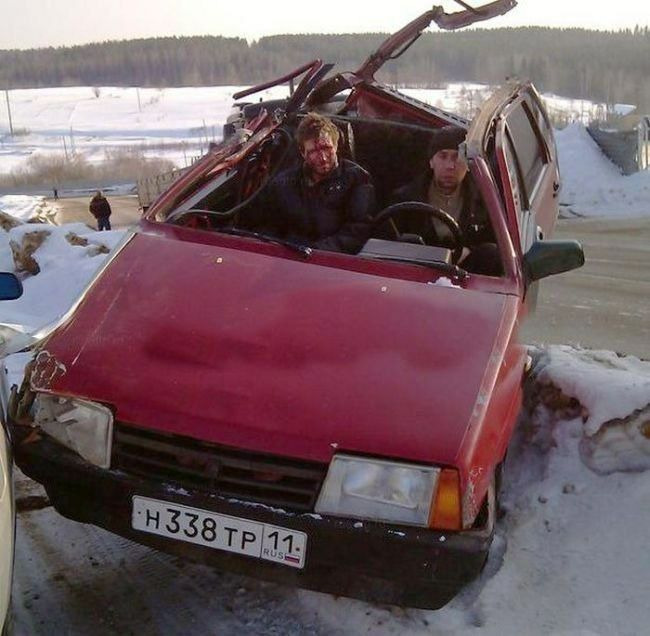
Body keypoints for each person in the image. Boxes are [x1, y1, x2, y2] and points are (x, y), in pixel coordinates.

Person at [252, 113, 375, 254]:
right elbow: (267, 226)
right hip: (288, 257)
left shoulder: (358, 179)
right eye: (314, 151)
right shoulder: (283, 184)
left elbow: (358, 231)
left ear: (336, 145)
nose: (323, 158)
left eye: (326, 148)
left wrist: (316, 252)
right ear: (302, 152)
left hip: (332, 258)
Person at [391, 125, 501, 275]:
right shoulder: (404, 199)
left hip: (465, 277)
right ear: (431, 162)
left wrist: (469, 251)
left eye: (457, 157)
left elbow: (497, 244)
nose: (450, 166)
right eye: (443, 156)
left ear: (468, 164)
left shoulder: (485, 201)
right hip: (416, 275)